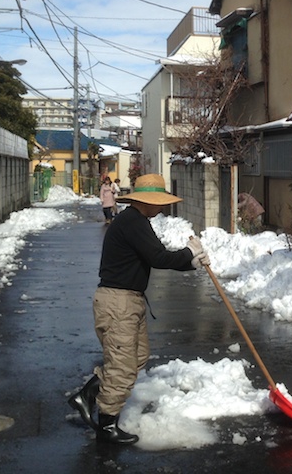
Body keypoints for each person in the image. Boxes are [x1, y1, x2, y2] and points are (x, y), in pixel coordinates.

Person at [68, 173, 210, 444]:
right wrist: (189, 253)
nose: (162, 207)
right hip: (118, 303)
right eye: (160, 202)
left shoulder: (136, 221)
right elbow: (158, 257)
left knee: (137, 356)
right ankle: (107, 425)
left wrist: (191, 262)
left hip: (128, 301)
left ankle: (87, 395)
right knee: (122, 366)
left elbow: (155, 255)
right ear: (148, 200)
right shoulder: (132, 222)